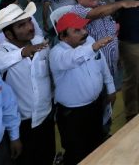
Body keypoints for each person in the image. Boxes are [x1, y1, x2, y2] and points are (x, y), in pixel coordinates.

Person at [0, 3, 55, 165]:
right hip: (22, 124)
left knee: (48, 155)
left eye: (29, 21)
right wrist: (24, 52)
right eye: (21, 25)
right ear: (9, 35)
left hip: (46, 114)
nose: (30, 27)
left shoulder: (40, 41)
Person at [49, 13, 115, 165]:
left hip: (96, 105)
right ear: (63, 37)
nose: (84, 32)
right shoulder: (56, 54)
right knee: (77, 152)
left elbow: (102, 63)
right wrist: (93, 47)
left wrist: (110, 87)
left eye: (83, 27)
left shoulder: (89, 42)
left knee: (97, 142)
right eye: (77, 30)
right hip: (73, 115)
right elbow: (72, 58)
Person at [71, 0, 139, 81]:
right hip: (95, 68)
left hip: (111, 63)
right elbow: (94, 14)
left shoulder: (102, 5)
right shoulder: (76, 11)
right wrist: (121, 3)